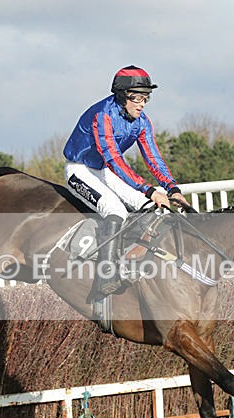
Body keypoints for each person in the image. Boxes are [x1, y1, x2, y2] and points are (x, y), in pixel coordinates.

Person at [63, 65, 189, 297]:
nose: (142, 104)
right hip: (80, 170)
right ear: (122, 96)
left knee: (148, 207)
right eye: (137, 98)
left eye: (146, 98)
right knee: (116, 210)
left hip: (103, 170)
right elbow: (114, 159)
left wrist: (172, 188)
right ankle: (106, 275)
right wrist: (149, 189)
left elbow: (153, 158)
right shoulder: (103, 116)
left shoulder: (143, 122)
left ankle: (130, 261)